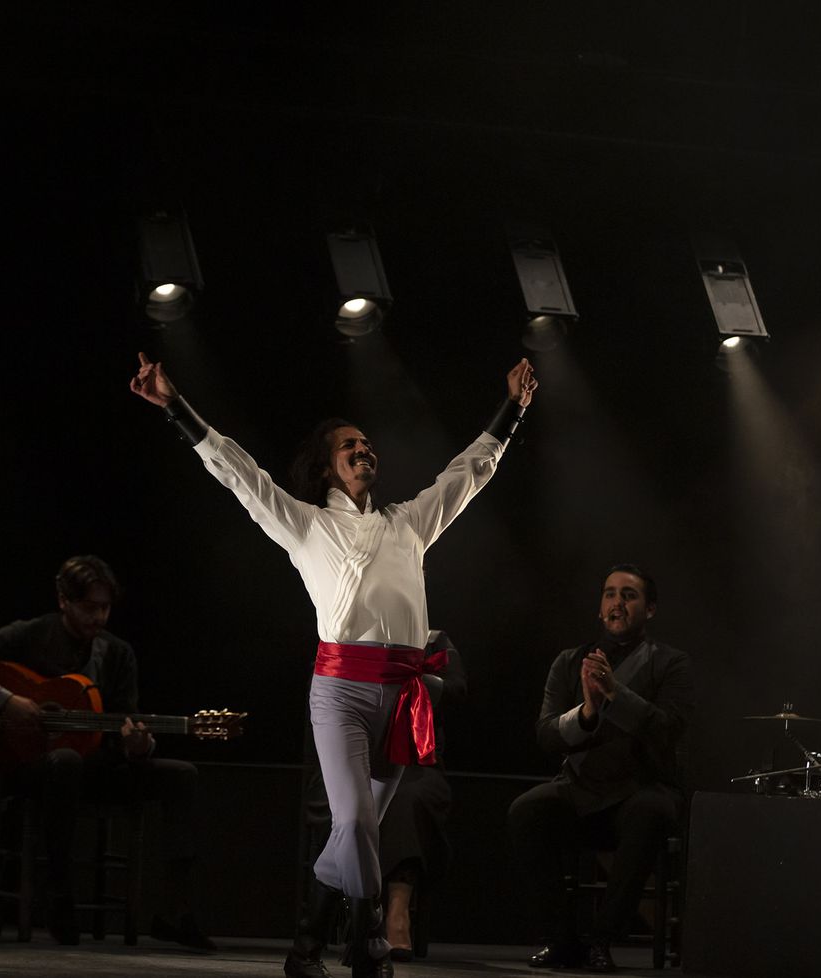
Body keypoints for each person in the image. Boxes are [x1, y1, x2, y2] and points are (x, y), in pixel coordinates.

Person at [129, 351, 535, 978]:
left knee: (360, 829)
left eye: (369, 443)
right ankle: (367, 937)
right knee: (352, 819)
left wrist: (512, 409)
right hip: (341, 691)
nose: (365, 449)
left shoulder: (407, 524)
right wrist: (176, 406)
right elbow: (238, 474)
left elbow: (467, 474)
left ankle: (305, 946)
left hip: (402, 693)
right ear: (327, 466)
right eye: (351, 445)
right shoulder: (306, 524)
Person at [0, 554, 211, 949]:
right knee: (65, 761)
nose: (98, 617)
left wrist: (137, 746)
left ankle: (176, 912)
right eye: (89, 607)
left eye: (105, 608)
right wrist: (6, 702)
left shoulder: (117, 654)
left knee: (183, 774)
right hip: (37, 768)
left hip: (100, 768)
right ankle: (58, 893)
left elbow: (125, 724)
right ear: (64, 600)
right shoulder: (29, 634)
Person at [507, 565, 692, 974]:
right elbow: (547, 735)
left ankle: (602, 940)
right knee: (526, 811)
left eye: (629, 595)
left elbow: (669, 729)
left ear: (650, 609)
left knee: (653, 812)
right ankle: (562, 939)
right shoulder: (570, 661)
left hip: (640, 788)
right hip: (582, 789)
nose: (617, 603)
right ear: (599, 607)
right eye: (610, 594)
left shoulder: (671, 664)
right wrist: (589, 711)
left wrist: (615, 693)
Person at [303, 629, 465, 969]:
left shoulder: (432, 639)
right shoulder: (346, 631)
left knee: (403, 801)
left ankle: (322, 938)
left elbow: (456, 691)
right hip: (354, 751)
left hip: (414, 754)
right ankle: (370, 932)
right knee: (352, 815)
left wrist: (413, 677)